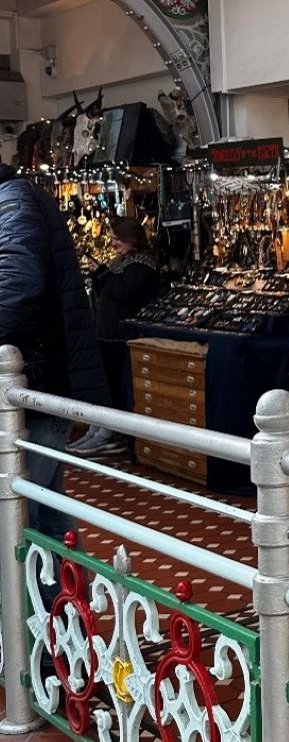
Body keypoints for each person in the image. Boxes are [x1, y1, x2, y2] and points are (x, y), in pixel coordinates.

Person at [0, 165, 110, 542]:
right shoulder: (17, 200)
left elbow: (17, 284)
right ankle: (64, 601)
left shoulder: (13, 202)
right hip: (39, 387)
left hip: (34, 386)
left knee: (20, 519)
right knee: (45, 514)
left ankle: (41, 601)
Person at [70, 216, 160, 457]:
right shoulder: (123, 262)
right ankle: (99, 428)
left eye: (117, 239)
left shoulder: (142, 265)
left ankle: (111, 432)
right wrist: (101, 275)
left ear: (130, 238)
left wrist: (102, 273)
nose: (113, 243)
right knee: (105, 386)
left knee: (115, 388)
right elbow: (110, 290)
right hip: (109, 334)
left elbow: (123, 293)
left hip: (121, 337)